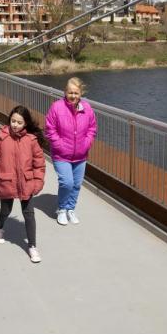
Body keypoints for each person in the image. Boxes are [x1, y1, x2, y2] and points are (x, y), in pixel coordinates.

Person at [0, 106, 47, 263]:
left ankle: (32, 246)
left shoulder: (31, 141)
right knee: (6, 210)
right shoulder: (1, 138)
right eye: (13, 121)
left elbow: (39, 164)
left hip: (27, 183)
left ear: (25, 123)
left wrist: (38, 181)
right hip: (6, 181)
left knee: (29, 214)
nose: (15, 125)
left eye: (19, 122)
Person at [45, 77, 97, 226]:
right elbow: (50, 129)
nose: (73, 96)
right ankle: (61, 209)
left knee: (76, 184)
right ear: (65, 92)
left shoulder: (87, 108)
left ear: (81, 93)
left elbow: (92, 128)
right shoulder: (57, 107)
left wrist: (86, 143)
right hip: (61, 155)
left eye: (76, 93)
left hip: (81, 155)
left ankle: (70, 209)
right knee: (67, 182)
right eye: (70, 92)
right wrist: (60, 145)